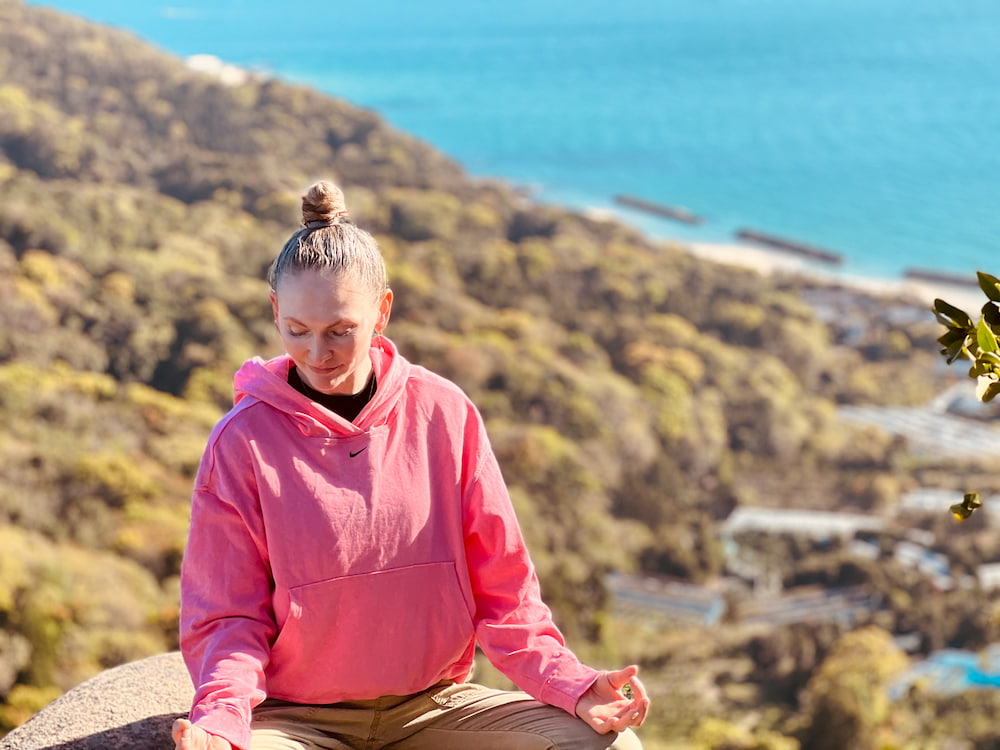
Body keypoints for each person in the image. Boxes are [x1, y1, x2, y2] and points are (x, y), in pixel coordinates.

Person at [172, 181, 650, 750]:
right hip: (296, 722)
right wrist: (222, 722)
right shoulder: (241, 442)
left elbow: (506, 593)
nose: (317, 353)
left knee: (611, 747)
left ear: (382, 311)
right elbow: (227, 618)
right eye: (297, 330)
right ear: (276, 312)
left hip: (434, 709)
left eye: (340, 331)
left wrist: (573, 686)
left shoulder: (446, 412)